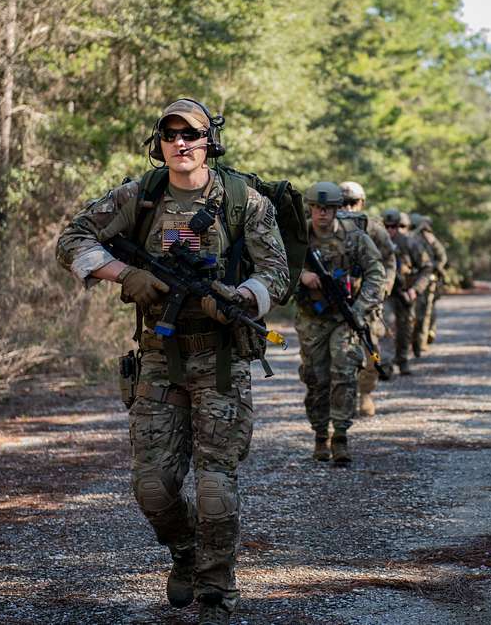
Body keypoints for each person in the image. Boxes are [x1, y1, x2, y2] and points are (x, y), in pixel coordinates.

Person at [56, 98, 289, 625]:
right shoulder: (140, 195)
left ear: (210, 140)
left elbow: (276, 274)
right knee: (154, 489)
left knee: (214, 486)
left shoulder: (243, 201)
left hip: (221, 360)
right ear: (159, 141)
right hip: (158, 360)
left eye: (192, 134)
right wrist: (125, 275)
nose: (181, 143)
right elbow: (72, 240)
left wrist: (239, 297)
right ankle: (186, 551)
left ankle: (216, 591)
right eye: (171, 133)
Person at [295, 181, 385, 464]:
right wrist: (301, 277)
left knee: (345, 373)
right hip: (311, 319)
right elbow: (273, 267)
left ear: (336, 209)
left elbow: (376, 273)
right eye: (317, 208)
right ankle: (320, 435)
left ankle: (341, 437)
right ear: (310, 208)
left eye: (328, 208)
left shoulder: (355, 237)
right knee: (316, 378)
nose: (322, 214)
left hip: (345, 317)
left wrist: (359, 308)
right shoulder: (298, 237)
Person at [339, 181, 396, 416]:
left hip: (367, 299)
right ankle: (342, 397)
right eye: (344, 203)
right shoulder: (326, 227)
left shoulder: (373, 228)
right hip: (338, 300)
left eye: (353, 202)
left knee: (370, 349)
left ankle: (365, 393)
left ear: (362, 203)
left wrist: (382, 289)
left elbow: (389, 261)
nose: (349, 208)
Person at [381, 209, 433, 375]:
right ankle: (385, 364)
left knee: (405, 328)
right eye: (387, 226)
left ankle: (402, 359)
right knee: (386, 326)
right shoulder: (377, 243)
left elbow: (427, 268)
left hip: (405, 293)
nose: (390, 230)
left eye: (394, 226)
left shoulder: (410, 243)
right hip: (385, 293)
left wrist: (415, 289)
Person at [410, 213, 448, 353]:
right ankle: (414, 342)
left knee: (426, 310)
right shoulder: (408, 238)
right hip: (413, 280)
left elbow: (442, 256)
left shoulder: (429, 238)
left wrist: (434, 268)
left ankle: (421, 341)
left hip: (429, 279)